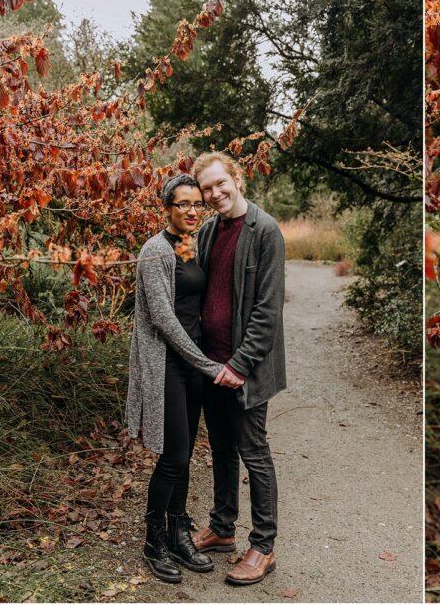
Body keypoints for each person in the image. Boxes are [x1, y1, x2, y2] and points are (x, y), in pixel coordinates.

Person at [189, 152, 286, 587]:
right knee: (222, 449)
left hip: (246, 367)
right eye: (206, 188)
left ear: (237, 179)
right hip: (211, 362)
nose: (214, 194)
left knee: (254, 452)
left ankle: (263, 547)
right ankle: (222, 528)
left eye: (219, 184)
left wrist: (240, 364)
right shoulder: (209, 230)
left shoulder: (265, 231)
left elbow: (267, 311)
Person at [126, 174, 223, 583]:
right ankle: (154, 540)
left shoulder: (192, 247)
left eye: (195, 204)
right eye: (182, 203)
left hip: (194, 364)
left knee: (182, 458)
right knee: (175, 456)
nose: (190, 210)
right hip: (166, 365)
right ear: (166, 207)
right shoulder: (154, 250)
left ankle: (179, 531)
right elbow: (164, 319)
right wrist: (206, 363)